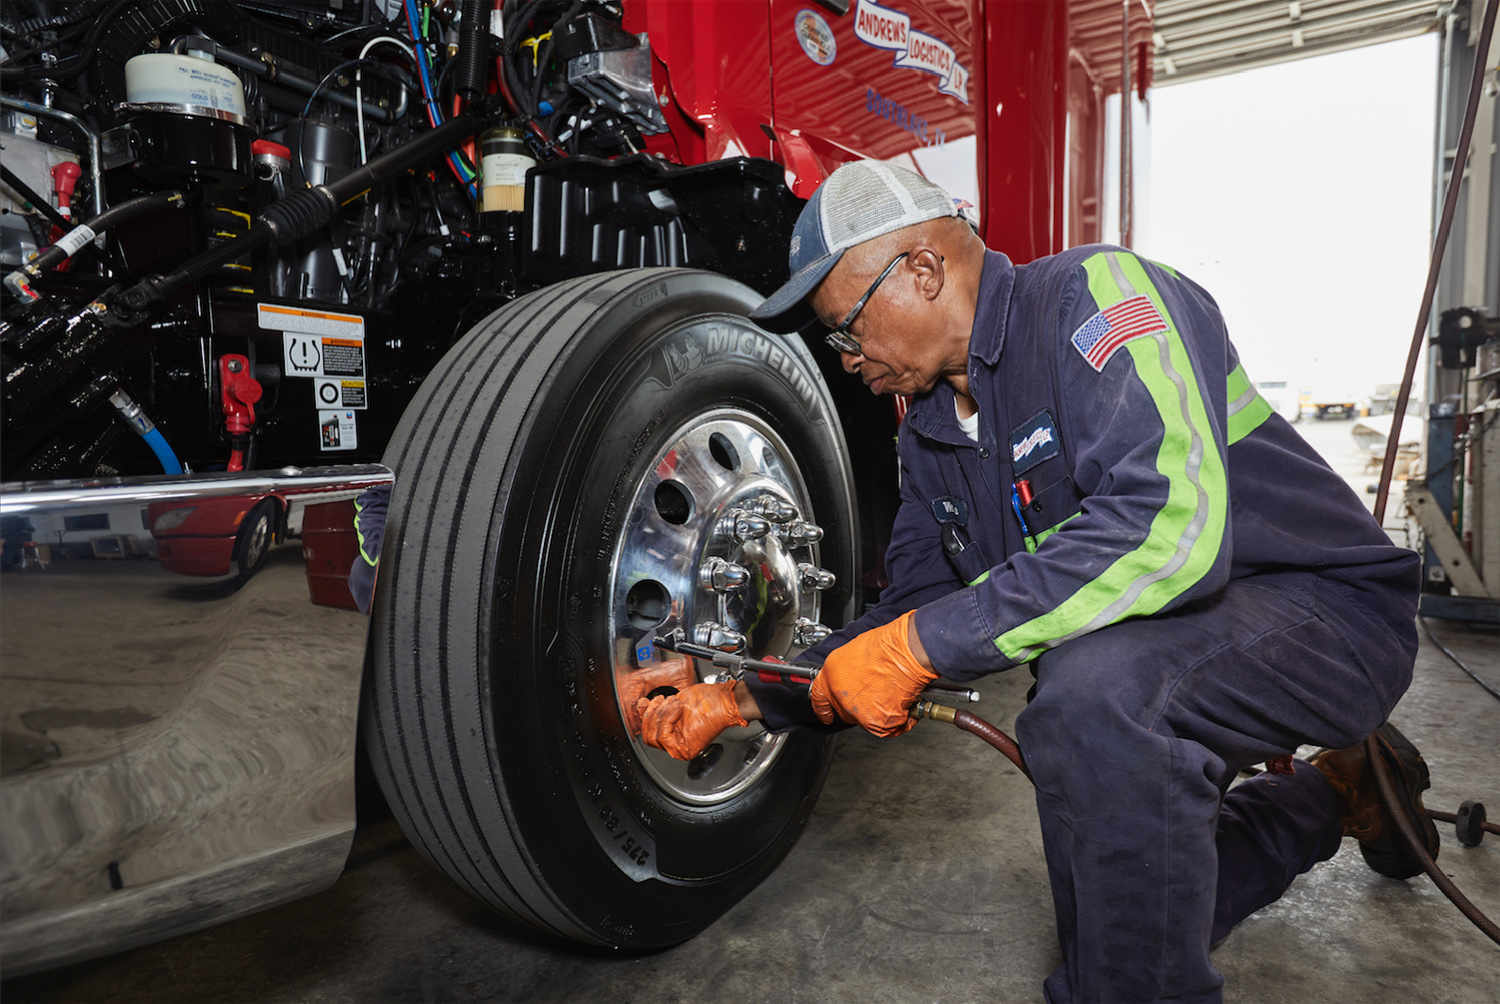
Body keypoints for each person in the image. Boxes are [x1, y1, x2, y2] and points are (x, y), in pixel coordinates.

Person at [632, 161, 1439, 1003]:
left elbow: (1169, 527)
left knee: (1093, 699)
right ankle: (1334, 794)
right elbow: (907, 614)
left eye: (847, 331)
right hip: (1177, 644)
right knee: (1133, 922)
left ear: (922, 268)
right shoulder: (931, 435)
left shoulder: (1096, 299)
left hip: (1329, 619)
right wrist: (750, 697)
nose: (846, 361)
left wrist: (921, 645)